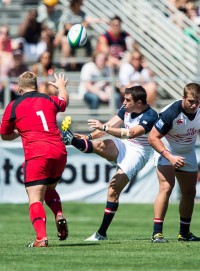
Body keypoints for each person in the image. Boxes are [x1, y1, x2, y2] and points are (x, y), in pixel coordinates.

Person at [62, 85, 158, 240]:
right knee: (99, 145)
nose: (124, 102)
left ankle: (101, 234)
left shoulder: (150, 116)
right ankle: (72, 140)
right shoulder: (126, 108)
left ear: (139, 102)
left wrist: (104, 127)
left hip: (139, 152)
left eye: (128, 100)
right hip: (125, 144)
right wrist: (89, 137)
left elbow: (131, 133)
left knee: (113, 189)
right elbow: (110, 125)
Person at [0, 71, 69, 247]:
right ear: (36, 86)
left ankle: (41, 238)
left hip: (37, 153)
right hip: (59, 151)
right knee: (50, 188)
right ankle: (59, 213)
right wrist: (61, 86)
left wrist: (18, 132)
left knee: (35, 198)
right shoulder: (48, 99)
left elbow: (4, 134)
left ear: (19, 88)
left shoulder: (14, 105)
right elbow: (64, 102)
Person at [148, 83, 200, 243]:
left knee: (189, 192)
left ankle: (184, 233)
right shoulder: (172, 112)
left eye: (197, 102)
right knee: (166, 187)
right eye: (191, 101)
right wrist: (169, 156)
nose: (194, 105)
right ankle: (157, 233)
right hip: (166, 149)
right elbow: (152, 138)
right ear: (183, 98)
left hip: (188, 153)